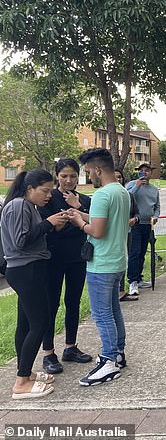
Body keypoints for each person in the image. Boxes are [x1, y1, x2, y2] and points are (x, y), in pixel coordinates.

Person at [1, 169, 68, 399]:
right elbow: (20, 241)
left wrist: (52, 225)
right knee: (39, 323)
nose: (48, 196)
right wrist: (48, 223)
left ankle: (26, 373)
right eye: (45, 191)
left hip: (28, 268)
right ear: (30, 189)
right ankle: (20, 383)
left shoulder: (27, 206)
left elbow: (31, 237)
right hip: (25, 269)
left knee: (26, 323)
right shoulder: (19, 205)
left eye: (50, 191)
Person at [66, 148, 130, 386]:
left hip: (101, 264)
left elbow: (98, 231)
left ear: (98, 170)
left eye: (88, 172)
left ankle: (109, 361)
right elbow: (106, 220)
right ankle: (118, 353)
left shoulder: (103, 195)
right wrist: (82, 213)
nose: (88, 176)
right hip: (117, 262)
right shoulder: (121, 191)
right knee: (113, 310)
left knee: (102, 314)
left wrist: (79, 223)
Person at [38, 159, 93, 375]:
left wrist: (77, 209)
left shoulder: (85, 200)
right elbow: (45, 227)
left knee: (73, 302)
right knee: (51, 304)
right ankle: (48, 352)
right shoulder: (48, 199)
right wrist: (67, 223)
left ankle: (71, 347)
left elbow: (93, 223)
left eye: (72, 176)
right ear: (57, 176)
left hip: (77, 258)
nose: (68, 180)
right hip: (53, 259)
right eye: (64, 176)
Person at [125, 163, 160, 295]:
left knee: (142, 252)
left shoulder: (154, 189)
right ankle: (132, 281)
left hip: (148, 224)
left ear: (151, 173)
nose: (144, 173)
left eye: (147, 171)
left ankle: (139, 278)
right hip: (135, 224)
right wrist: (137, 186)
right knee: (134, 252)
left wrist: (156, 216)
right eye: (142, 171)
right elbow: (126, 198)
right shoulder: (132, 185)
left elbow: (157, 206)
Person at [114, 169, 140, 302]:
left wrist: (134, 219)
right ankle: (114, 291)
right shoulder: (106, 196)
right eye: (115, 177)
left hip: (127, 233)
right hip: (112, 235)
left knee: (124, 259)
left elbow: (137, 213)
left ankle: (121, 290)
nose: (118, 180)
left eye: (120, 177)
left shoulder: (128, 195)